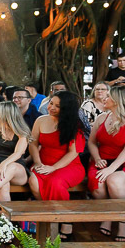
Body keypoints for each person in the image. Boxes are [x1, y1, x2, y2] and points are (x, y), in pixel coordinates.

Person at [88, 86, 125, 242]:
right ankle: (108, 215)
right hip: (102, 160)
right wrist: (97, 158)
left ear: (118, 100)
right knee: (97, 185)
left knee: (113, 180)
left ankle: (123, 221)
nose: (103, 98)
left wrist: (111, 169)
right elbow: (92, 142)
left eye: (108, 96)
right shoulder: (102, 118)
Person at [28, 91, 86, 236]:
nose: (51, 107)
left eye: (57, 106)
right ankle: (50, 216)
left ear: (66, 108)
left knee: (55, 182)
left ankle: (66, 219)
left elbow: (73, 153)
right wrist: (38, 162)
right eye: (51, 103)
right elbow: (33, 144)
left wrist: (53, 168)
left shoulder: (74, 125)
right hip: (42, 162)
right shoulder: (40, 120)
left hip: (68, 165)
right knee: (33, 181)